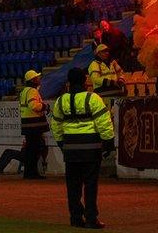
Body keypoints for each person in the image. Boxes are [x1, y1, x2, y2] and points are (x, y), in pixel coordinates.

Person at [51, 67, 115, 229]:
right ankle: (91, 219)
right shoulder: (92, 98)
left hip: (71, 151)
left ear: (69, 82)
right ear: (84, 80)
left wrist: (61, 143)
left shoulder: (61, 100)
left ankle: (75, 218)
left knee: (73, 186)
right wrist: (108, 142)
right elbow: (104, 121)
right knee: (90, 185)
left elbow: (56, 125)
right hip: (91, 149)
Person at [19, 70, 49, 179]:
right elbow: (34, 106)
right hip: (34, 125)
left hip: (27, 124)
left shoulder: (24, 91)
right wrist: (45, 107)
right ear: (32, 80)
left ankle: (29, 173)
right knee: (34, 150)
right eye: (37, 78)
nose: (39, 79)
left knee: (30, 150)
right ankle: (32, 173)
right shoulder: (32, 91)